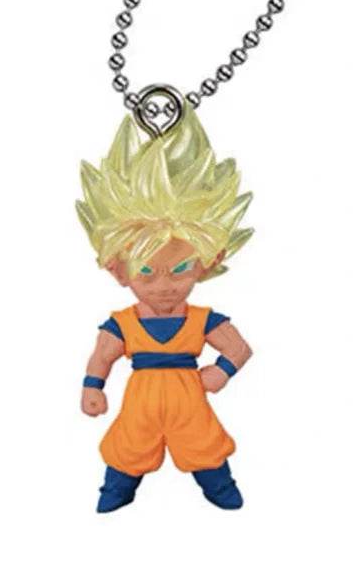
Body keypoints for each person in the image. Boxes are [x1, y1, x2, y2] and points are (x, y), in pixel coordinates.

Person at [76, 105, 254, 512]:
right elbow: (102, 356)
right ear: (118, 270)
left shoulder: (203, 320)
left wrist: (222, 371)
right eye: (146, 272)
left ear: (206, 264)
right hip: (140, 402)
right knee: (128, 447)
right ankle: (116, 491)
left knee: (205, 446)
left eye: (179, 270)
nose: (164, 286)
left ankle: (220, 488)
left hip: (190, 399)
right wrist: (91, 387)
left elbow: (239, 348)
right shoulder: (122, 324)